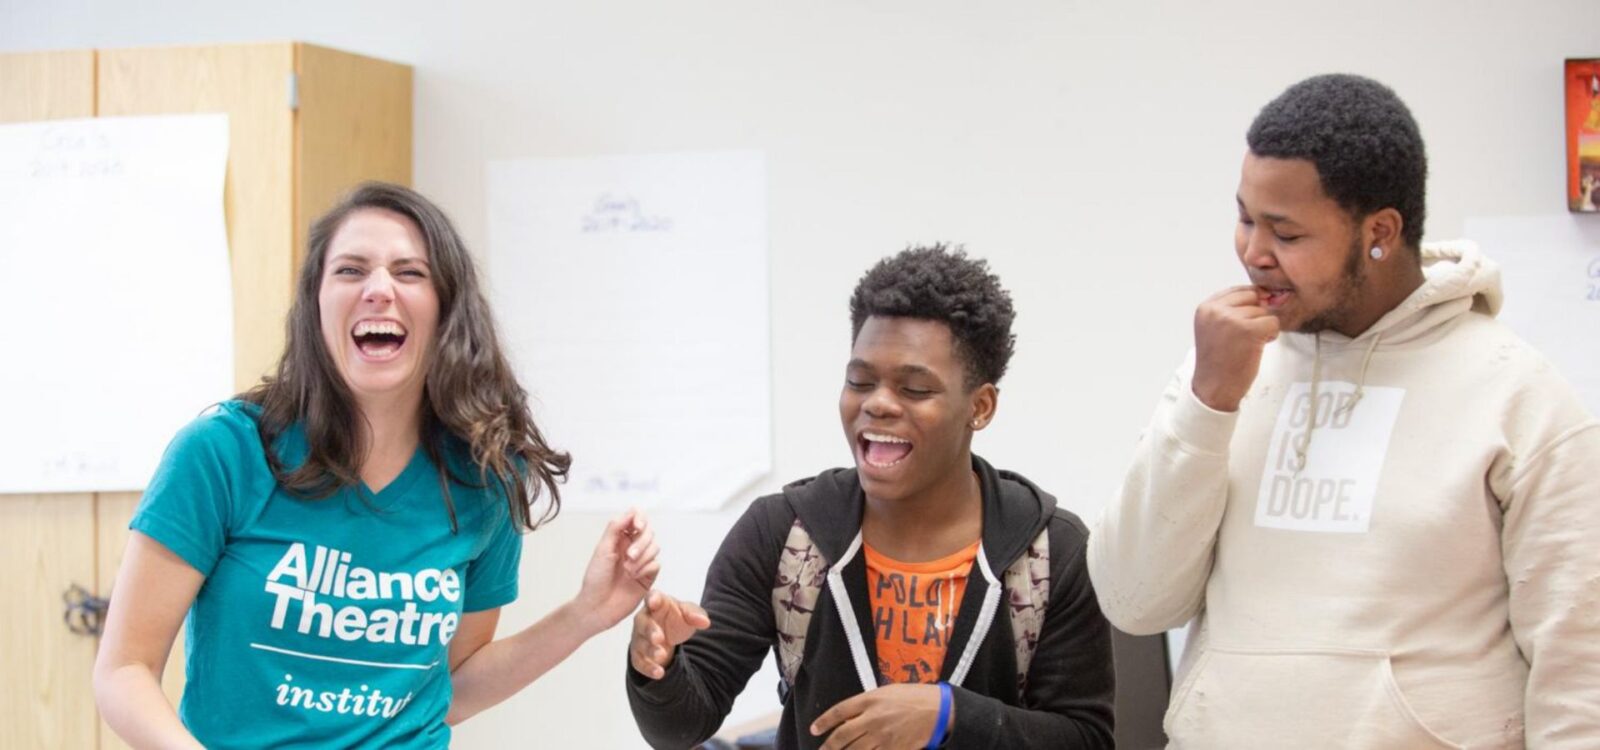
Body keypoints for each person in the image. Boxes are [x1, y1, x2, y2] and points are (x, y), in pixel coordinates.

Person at [1089, 74, 1600, 747]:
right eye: (1245, 217)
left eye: (1286, 233)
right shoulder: (1223, 370)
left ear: (1380, 233)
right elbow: (1134, 601)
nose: (1252, 252)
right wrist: (1206, 403)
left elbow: (1579, 672)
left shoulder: (1517, 395)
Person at [93, 182, 661, 748]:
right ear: (316, 304)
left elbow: (452, 687)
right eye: (350, 270)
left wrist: (585, 614)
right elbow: (123, 671)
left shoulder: (483, 476)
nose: (379, 290)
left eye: (409, 272)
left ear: (445, 309)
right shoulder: (224, 453)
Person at [626, 245, 1115, 749]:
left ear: (981, 406)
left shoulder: (1050, 550)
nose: (877, 403)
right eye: (859, 381)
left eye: (915, 389)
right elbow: (683, 725)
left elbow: (1086, 739)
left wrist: (950, 715)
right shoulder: (783, 534)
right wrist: (656, 665)